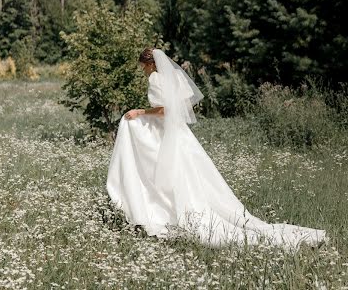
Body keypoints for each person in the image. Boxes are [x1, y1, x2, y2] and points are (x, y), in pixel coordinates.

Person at [106, 47, 328, 248]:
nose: (143, 70)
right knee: (189, 173)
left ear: (151, 64)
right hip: (181, 133)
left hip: (167, 133)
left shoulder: (155, 78)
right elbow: (184, 103)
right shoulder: (173, 77)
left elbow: (165, 111)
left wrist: (141, 112)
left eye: (143, 65)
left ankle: (171, 211)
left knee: (169, 171)